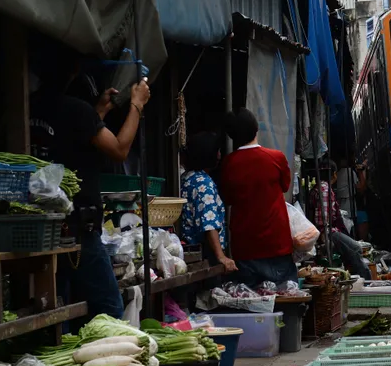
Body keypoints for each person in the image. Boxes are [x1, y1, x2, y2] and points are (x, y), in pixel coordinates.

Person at [29, 45, 150, 319]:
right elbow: (119, 149)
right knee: (109, 307)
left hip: (42, 227)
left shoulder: (31, 105)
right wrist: (137, 105)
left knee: (59, 308)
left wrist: (98, 112)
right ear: (74, 71)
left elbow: (72, 139)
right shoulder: (75, 109)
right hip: (77, 228)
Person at [219, 108, 297, 287]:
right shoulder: (276, 158)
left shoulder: (228, 164)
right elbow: (285, 186)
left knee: (252, 304)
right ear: (256, 128)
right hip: (276, 243)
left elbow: (228, 199)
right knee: (286, 298)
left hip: (244, 246)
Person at [179, 132, 236, 273]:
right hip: (203, 254)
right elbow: (208, 223)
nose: (219, 155)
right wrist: (221, 256)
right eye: (217, 151)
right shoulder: (203, 183)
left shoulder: (187, 177)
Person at [310, 161, 370, 277]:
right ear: (334, 174)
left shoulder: (317, 188)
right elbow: (323, 219)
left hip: (325, 231)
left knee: (348, 250)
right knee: (356, 248)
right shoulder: (325, 189)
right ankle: (366, 280)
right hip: (327, 231)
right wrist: (325, 234)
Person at [335, 157, 368, 238]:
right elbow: (361, 188)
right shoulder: (348, 172)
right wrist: (361, 172)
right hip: (349, 210)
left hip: (340, 210)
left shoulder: (336, 174)